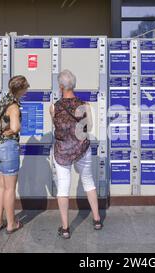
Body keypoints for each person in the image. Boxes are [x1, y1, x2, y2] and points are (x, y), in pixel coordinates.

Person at [50, 69, 102, 239]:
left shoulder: (53, 107)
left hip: (62, 152)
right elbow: (90, 128)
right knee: (89, 182)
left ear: (60, 86)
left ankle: (65, 228)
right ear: (74, 85)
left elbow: (56, 127)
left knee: (63, 188)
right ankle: (97, 219)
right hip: (82, 150)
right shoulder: (85, 105)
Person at [0, 75, 29, 234]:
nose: (27, 90)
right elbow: (15, 127)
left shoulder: (4, 101)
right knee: (10, 188)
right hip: (7, 148)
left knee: (0, 186)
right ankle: (12, 224)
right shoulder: (13, 106)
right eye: (26, 87)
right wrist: (12, 130)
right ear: (21, 89)